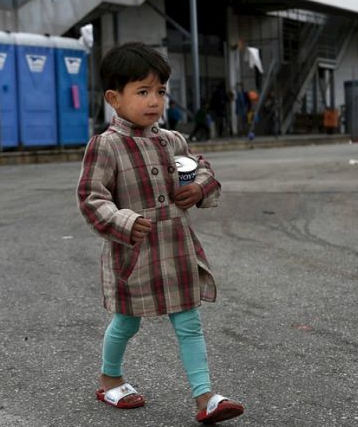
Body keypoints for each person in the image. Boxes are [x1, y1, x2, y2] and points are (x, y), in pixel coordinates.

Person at [77, 42, 244, 424]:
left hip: (176, 246)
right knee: (126, 321)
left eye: (160, 91)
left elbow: (198, 168)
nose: (154, 101)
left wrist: (199, 187)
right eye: (142, 91)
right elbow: (91, 198)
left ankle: (205, 397)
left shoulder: (173, 141)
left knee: (188, 320)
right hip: (133, 252)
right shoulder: (107, 146)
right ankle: (110, 378)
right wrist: (123, 221)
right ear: (114, 98)